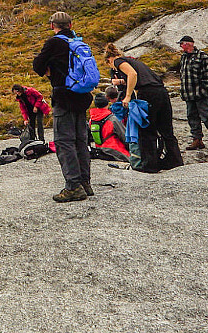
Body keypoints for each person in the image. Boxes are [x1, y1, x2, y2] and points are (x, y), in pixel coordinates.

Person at [31, 11, 95, 202]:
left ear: (53, 26)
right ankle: (85, 183)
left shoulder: (54, 43)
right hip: (81, 97)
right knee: (80, 141)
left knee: (64, 142)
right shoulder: (79, 43)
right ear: (70, 24)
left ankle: (73, 186)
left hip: (63, 97)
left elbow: (37, 65)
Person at [104, 43, 183, 172]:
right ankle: (174, 160)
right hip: (161, 91)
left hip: (147, 94)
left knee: (146, 129)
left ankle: (150, 164)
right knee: (165, 128)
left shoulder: (118, 61)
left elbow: (132, 74)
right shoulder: (134, 61)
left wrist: (128, 96)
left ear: (109, 60)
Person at [177, 35, 208, 152]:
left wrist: (204, 88)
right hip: (188, 95)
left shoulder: (202, 56)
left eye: (181, 44)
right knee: (192, 117)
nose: (180, 46)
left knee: (207, 117)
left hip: (200, 95)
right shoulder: (183, 57)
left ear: (188, 44)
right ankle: (197, 140)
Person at [88, 91, 131, 162]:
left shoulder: (91, 119)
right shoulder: (112, 119)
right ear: (107, 103)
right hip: (114, 150)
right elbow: (124, 137)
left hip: (99, 149)